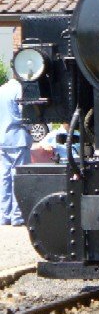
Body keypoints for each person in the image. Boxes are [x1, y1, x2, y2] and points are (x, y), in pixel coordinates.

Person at [0, 78, 32, 226]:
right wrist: (30, 129)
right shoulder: (20, 89)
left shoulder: (1, 89)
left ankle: (4, 215)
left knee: (4, 177)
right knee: (19, 177)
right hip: (18, 137)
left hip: (3, 138)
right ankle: (17, 216)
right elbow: (24, 114)